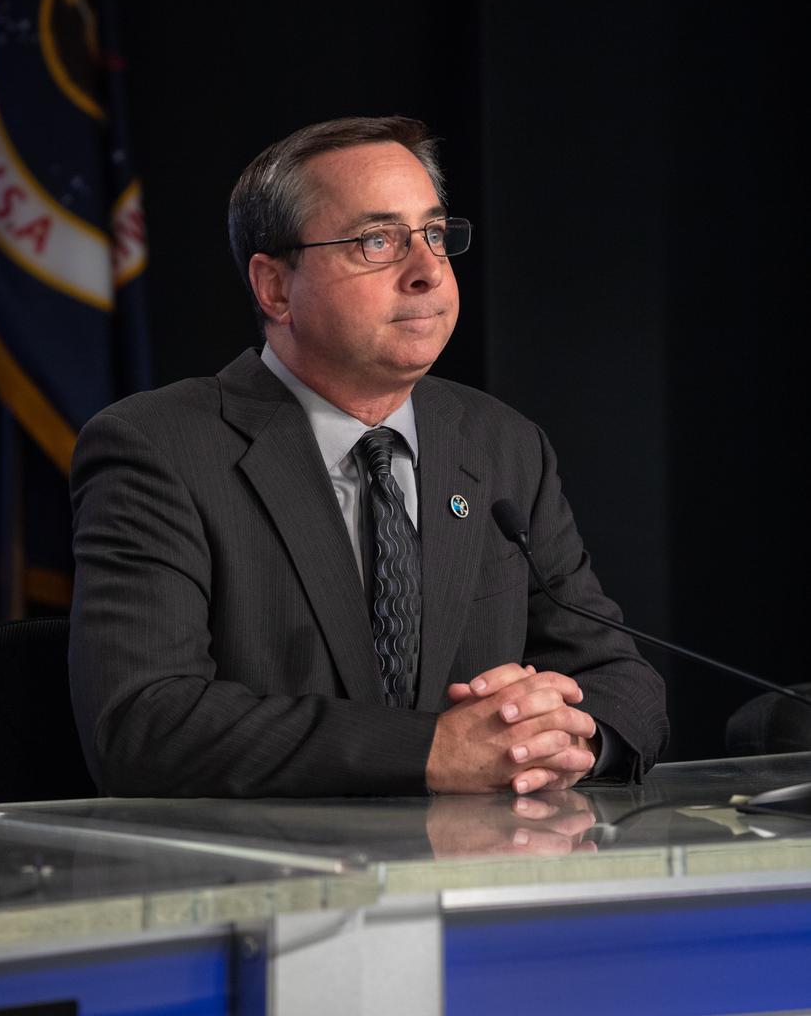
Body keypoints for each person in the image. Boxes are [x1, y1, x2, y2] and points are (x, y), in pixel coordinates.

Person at [69, 115, 668, 798]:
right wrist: (431, 751)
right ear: (274, 287)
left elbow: (619, 680)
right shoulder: (159, 448)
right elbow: (142, 723)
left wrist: (567, 740)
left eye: (434, 234)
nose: (427, 271)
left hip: (486, 860)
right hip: (269, 862)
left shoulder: (502, 443)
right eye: (377, 241)